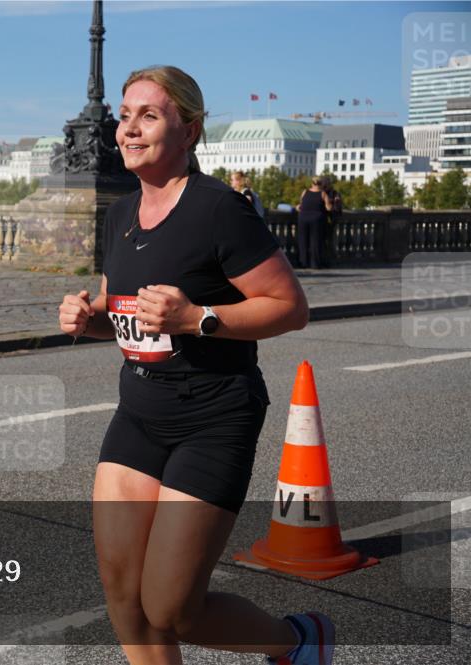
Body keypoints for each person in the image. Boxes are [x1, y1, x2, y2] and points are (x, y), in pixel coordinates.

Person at [58, 65, 332, 665]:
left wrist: (198, 317)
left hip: (214, 415)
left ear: (190, 130)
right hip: (139, 412)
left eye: (149, 116)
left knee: (173, 608)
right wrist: (89, 317)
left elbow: (291, 308)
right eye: (126, 116)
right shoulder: (121, 214)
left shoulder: (220, 209)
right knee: (123, 594)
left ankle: (298, 641)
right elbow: (127, 316)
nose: (128, 129)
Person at [296, 176, 332, 269]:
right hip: (316, 219)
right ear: (321, 184)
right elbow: (329, 208)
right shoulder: (323, 194)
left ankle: (302, 262)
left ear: (312, 183)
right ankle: (314, 264)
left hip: (303, 218)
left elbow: (301, 204)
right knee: (315, 241)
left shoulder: (305, 192)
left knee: (302, 240)